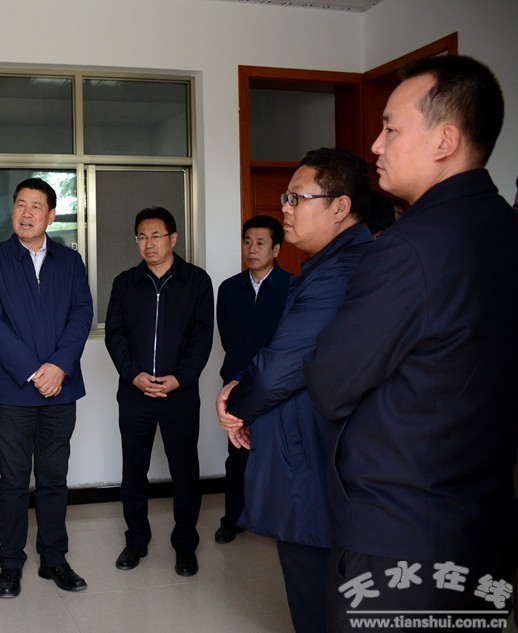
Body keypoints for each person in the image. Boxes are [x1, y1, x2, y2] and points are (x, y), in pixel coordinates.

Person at [303, 55, 518, 632]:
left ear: (445, 140)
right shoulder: (503, 228)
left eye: (391, 128)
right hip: (483, 525)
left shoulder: (409, 248)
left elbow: (330, 382)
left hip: (401, 542)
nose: (376, 145)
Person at [216, 148, 372, 633]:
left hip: (316, 457)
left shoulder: (339, 272)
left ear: (340, 207)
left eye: (296, 198)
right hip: (312, 449)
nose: (285, 207)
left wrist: (235, 405)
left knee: (318, 594)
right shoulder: (325, 265)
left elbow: (282, 367)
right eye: (285, 197)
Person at [0, 177, 93, 599]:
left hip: (61, 389)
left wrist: (58, 367)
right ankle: (10, 563)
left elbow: (82, 315)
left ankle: (54, 558)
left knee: (54, 478)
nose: (26, 213)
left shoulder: (70, 262)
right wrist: (33, 371)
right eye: (20, 204)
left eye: (36, 206)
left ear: (51, 215)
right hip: (12, 392)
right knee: (12, 481)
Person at [104, 206, 213, 575]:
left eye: (155, 236)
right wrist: (133, 374)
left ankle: (185, 544)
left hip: (179, 393)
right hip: (135, 393)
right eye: (141, 237)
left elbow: (202, 337)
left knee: (184, 470)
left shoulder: (196, 281)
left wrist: (180, 378)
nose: (148, 243)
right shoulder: (125, 283)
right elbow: (115, 335)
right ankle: (136, 540)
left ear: (173, 238)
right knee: (134, 469)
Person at [214, 214, 290, 545]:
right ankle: (233, 519)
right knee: (238, 455)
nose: (252, 249)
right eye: (247, 242)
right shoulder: (229, 289)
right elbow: (227, 338)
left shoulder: (293, 287)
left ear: (276, 249)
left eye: (260, 243)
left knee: (281, 453)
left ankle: (281, 520)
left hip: (281, 384)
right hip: (238, 384)